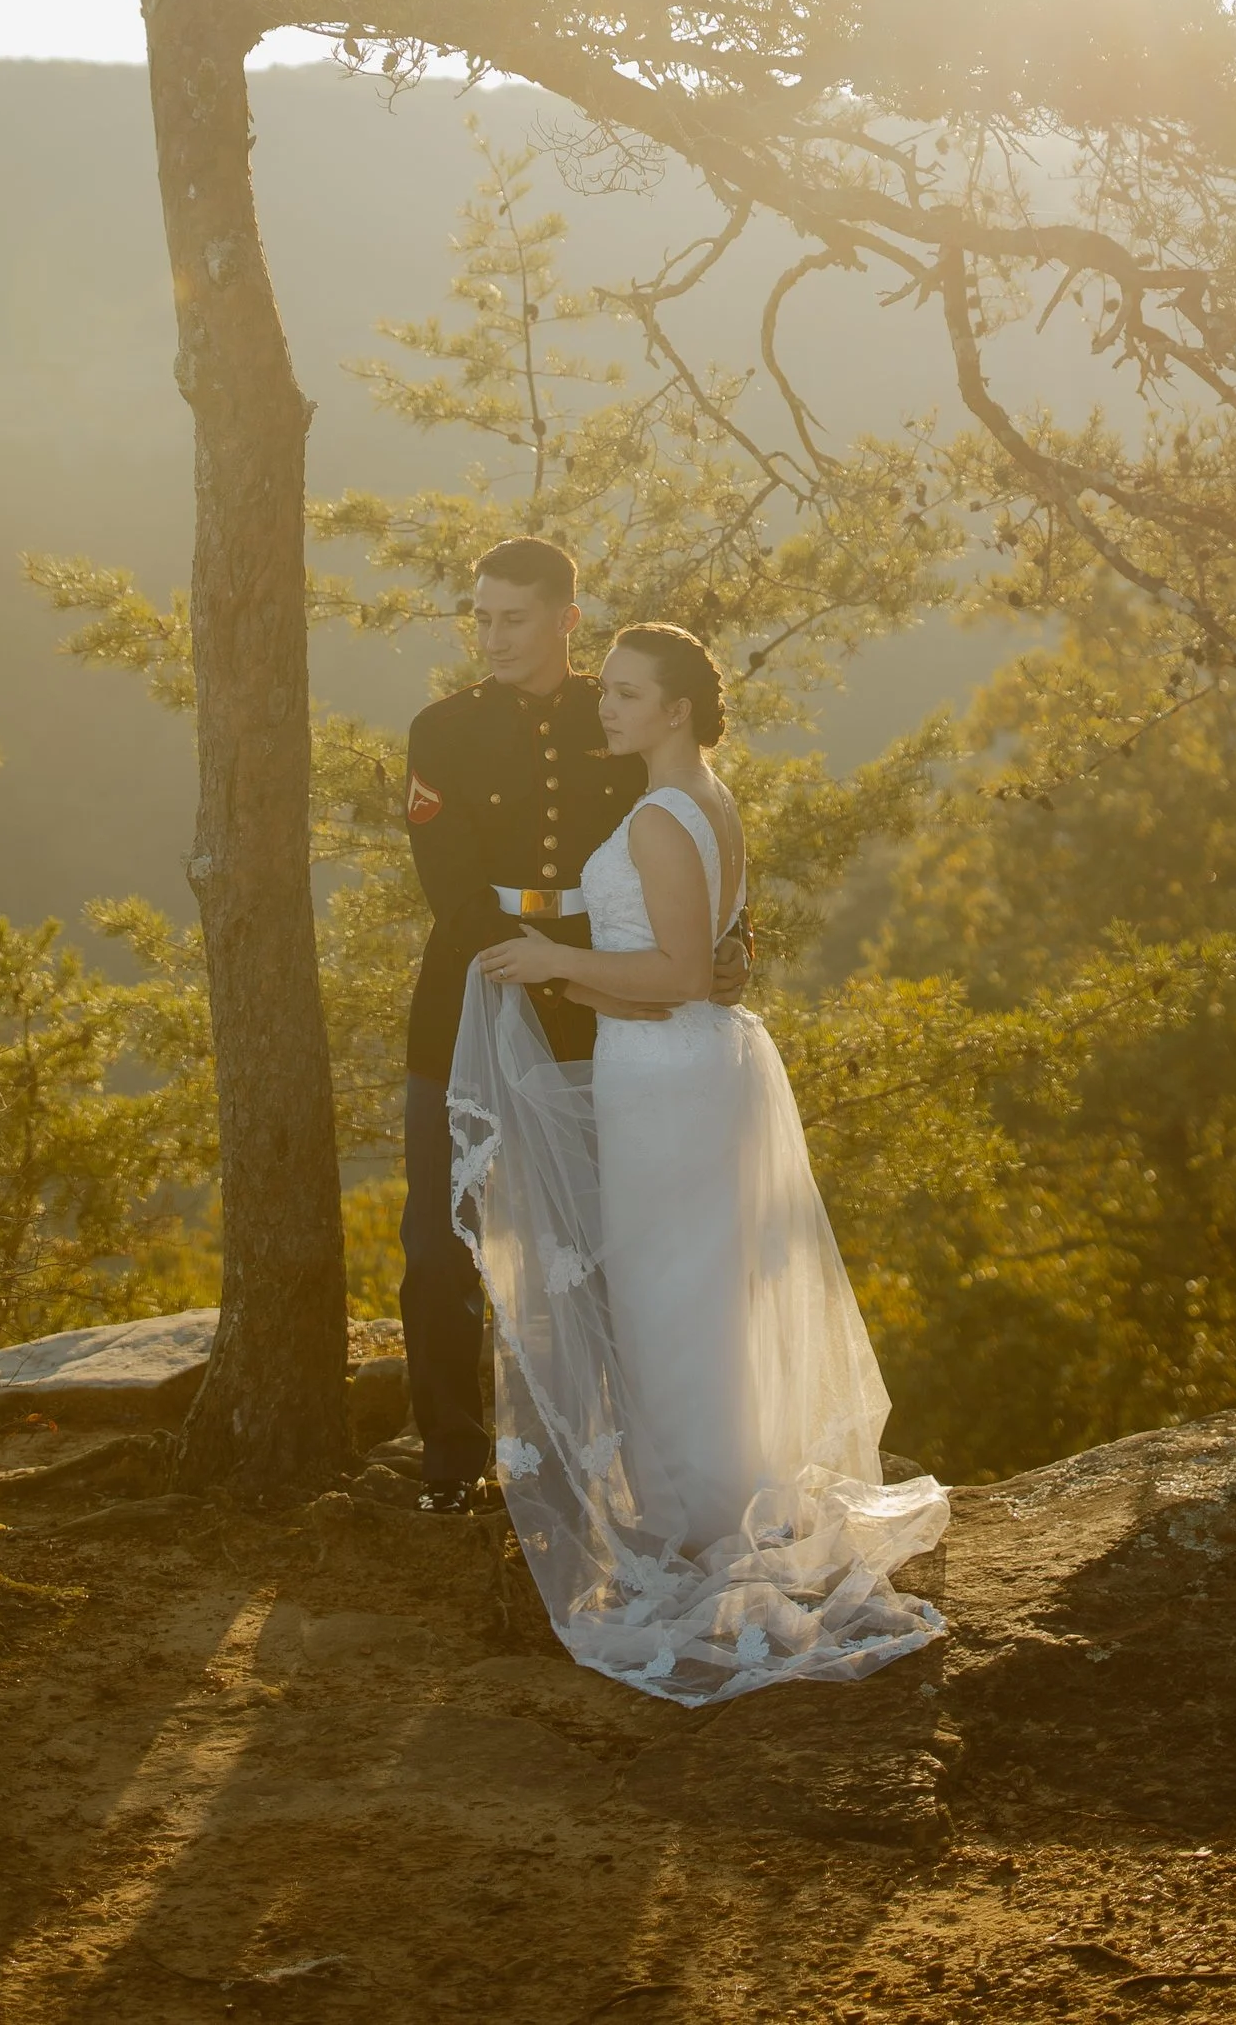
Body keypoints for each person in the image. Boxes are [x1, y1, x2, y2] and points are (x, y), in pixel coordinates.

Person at [451, 621, 949, 1701]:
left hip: (669, 1075)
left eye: (627, 694)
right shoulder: (698, 801)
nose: (607, 707)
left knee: (674, 1295)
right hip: (671, 1063)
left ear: (676, 709)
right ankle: (713, 1501)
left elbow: (678, 969)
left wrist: (550, 960)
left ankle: (702, 1522)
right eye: (609, 692)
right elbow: (692, 960)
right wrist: (576, 982)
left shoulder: (663, 818)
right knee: (690, 1289)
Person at [396, 540, 750, 1515]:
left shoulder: (620, 708)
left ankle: (592, 1453)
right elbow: (453, 891)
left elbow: (690, 824)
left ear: (566, 618)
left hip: (604, 1013)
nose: (493, 636)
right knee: (440, 1242)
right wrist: (529, 967)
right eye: (481, 617)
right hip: (470, 992)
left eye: (514, 617)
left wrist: (730, 940)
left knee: (596, 1245)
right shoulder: (442, 729)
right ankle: (452, 1464)